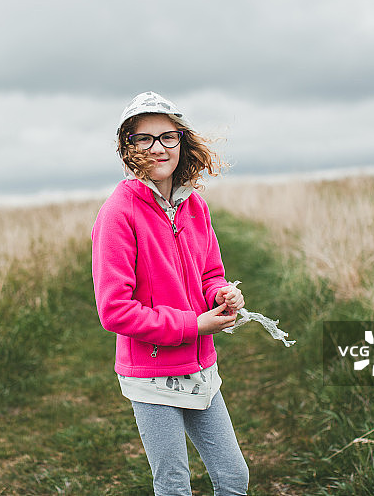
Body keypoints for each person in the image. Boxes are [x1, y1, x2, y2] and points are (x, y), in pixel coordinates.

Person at [91, 91, 250, 495]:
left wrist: (222, 294)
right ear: (127, 147)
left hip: (200, 369)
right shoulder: (118, 212)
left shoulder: (195, 205)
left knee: (234, 478)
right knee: (174, 485)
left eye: (167, 136)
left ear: (182, 140)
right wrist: (193, 324)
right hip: (151, 373)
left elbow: (211, 271)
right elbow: (114, 311)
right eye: (144, 138)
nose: (158, 148)